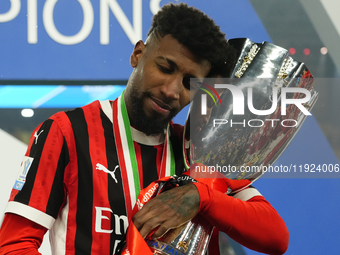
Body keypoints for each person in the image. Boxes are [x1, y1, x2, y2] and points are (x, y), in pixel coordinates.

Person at [0, 3, 288, 255]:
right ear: (138, 54)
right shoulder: (67, 132)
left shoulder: (196, 153)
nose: (172, 90)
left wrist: (201, 198)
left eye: (189, 83)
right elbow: (14, 245)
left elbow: (276, 238)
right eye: (165, 68)